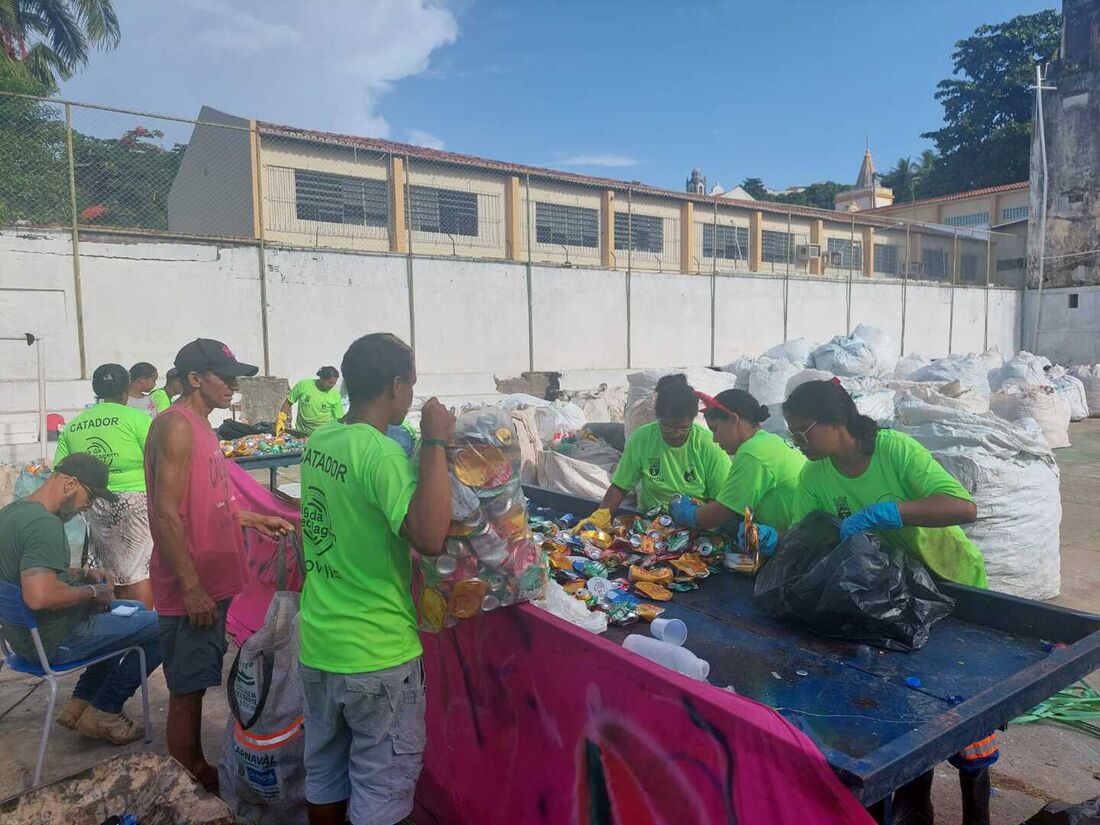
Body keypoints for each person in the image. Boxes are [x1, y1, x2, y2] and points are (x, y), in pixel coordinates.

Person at [782, 379, 992, 825]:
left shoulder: (894, 450)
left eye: (802, 433)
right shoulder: (814, 475)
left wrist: (890, 511)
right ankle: (917, 804)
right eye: (792, 435)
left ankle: (978, 811)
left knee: (964, 715)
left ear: (836, 424)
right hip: (889, 602)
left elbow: (962, 507)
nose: (796, 444)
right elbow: (805, 537)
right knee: (906, 712)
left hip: (948, 587)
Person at [298, 333, 453, 825]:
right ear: (395, 386)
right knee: (379, 789)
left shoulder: (321, 440)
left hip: (320, 641)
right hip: (376, 652)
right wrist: (434, 441)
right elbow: (430, 537)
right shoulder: (382, 454)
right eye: (410, 384)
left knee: (324, 772)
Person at [145, 338, 293, 791]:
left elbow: (205, 504)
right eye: (224, 378)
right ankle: (187, 779)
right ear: (194, 379)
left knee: (198, 681)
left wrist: (251, 518)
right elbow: (165, 513)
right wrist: (191, 587)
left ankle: (194, 767)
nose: (232, 386)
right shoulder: (175, 426)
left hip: (212, 581)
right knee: (186, 693)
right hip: (193, 587)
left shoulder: (205, 426)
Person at [0, 453, 161, 744]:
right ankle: (105, 710)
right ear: (70, 483)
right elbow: (39, 596)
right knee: (164, 626)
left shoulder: (12, 513)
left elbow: (23, 572)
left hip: (21, 641)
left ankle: (80, 705)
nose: (89, 506)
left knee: (134, 610)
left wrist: (82, 573)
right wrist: (92, 592)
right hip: (55, 642)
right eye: (90, 496)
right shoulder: (44, 525)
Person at [54, 363, 155, 608]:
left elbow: (60, 466)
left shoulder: (75, 425)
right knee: (138, 571)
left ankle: (119, 620)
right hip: (136, 501)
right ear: (126, 388)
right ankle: (141, 630)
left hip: (93, 500)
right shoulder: (139, 419)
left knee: (110, 568)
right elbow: (157, 460)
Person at [670, 389, 806, 554]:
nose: (715, 439)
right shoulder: (770, 441)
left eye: (715, 429)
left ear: (734, 419)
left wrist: (688, 513)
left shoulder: (753, 452)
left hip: (789, 546)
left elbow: (718, 515)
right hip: (797, 537)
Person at [600, 373, 731, 512]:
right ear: (658, 419)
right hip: (651, 522)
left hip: (698, 522)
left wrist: (696, 519)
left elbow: (720, 502)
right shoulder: (641, 439)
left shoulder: (709, 444)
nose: (675, 434)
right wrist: (601, 516)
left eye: (682, 429)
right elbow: (620, 487)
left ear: (692, 420)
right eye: (668, 428)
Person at [277, 366, 342, 435]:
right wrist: (281, 418)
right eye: (330, 383)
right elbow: (289, 402)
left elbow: (339, 419)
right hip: (301, 433)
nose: (332, 385)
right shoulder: (304, 385)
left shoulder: (335, 395)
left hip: (322, 435)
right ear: (322, 379)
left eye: (335, 383)